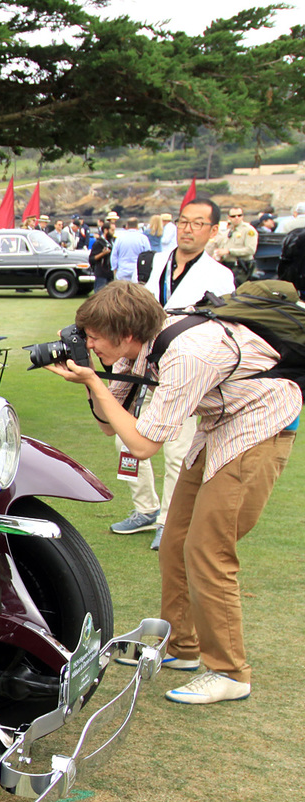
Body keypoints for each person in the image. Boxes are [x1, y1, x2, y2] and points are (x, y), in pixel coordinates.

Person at [46, 280, 298, 704]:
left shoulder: (187, 353)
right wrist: (94, 379)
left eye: (92, 338)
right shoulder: (139, 348)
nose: (87, 345)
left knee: (208, 549)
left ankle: (230, 671)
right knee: (175, 542)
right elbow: (113, 424)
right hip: (219, 428)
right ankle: (182, 647)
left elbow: (143, 445)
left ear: (125, 333)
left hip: (258, 430)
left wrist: (94, 378)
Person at [114, 198, 236, 548]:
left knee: (177, 448)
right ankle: (146, 508)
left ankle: (169, 519)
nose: (188, 229)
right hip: (145, 365)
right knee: (126, 439)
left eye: (198, 223)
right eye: (184, 221)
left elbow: (222, 330)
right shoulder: (158, 264)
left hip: (183, 372)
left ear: (213, 231)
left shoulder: (219, 275)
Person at [216, 206, 259, 286]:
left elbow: (251, 250)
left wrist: (229, 251)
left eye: (239, 215)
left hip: (241, 267)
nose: (237, 218)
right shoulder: (228, 231)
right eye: (233, 216)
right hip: (227, 265)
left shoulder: (248, 230)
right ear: (229, 217)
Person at [111, 217, 150, 281]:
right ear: (137, 226)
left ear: (127, 225)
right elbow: (148, 255)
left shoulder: (120, 238)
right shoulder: (143, 238)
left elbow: (114, 255)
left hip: (122, 271)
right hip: (137, 272)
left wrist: (114, 269)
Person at [88, 223, 115, 292]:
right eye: (112, 230)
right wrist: (103, 253)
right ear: (106, 230)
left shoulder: (113, 241)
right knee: (99, 293)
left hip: (110, 273)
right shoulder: (98, 243)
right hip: (101, 273)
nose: (113, 233)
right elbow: (92, 259)